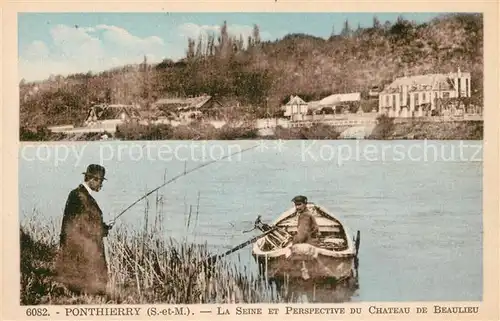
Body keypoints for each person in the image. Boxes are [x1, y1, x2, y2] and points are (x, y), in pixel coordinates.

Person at [55, 164, 113, 295]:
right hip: (83, 251)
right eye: (101, 181)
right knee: (87, 289)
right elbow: (81, 226)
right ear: (93, 179)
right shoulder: (80, 196)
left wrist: (103, 226)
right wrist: (101, 230)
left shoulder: (80, 195)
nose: (101, 185)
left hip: (84, 249)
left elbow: (85, 221)